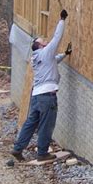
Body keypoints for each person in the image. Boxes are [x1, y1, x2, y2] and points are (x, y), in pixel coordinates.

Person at [11, 9, 72, 162]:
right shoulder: (44, 52)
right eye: (42, 41)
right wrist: (62, 20)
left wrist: (65, 54)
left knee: (31, 123)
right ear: (38, 45)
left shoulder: (37, 58)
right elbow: (57, 38)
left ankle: (18, 148)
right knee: (46, 124)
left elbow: (53, 60)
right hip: (47, 97)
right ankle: (42, 153)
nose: (45, 41)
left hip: (37, 96)